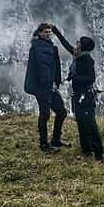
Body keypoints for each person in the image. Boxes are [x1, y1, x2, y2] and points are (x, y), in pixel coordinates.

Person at [51, 25, 104, 162]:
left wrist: (74, 77)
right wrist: (56, 31)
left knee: (90, 124)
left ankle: (99, 154)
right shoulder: (78, 55)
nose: (76, 43)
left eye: (78, 42)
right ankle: (87, 151)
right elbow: (66, 45)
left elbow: (91, 78)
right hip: (78, 96)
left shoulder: (87, 60)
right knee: (81, 123)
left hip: (85, 97)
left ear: (83, 46)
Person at [24, 23, 70, 153]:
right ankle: (44, 145)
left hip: (51, 86)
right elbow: (43, 68)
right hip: (43, 87)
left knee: (61, 112)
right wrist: (49, 85)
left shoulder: (49, 46)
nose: (48, 34)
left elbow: (53, 67)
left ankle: (55, 140)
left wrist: (56, 82)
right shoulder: (38, 47)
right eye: (45, 32)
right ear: (39, 33)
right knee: (45, 114)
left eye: (49, 32)